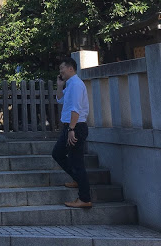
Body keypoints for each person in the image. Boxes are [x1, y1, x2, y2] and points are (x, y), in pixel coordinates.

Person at [53, 57, 92, 208]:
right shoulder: (70, 84)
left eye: (62, 68)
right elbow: (60, 100)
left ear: (70, 68)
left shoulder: (76, 84)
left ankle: (85, 198)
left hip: (75, 127)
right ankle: (77, 179)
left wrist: (71, 129)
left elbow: (75, 109)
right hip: (71, 126)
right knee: (58, 154)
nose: (60, 71)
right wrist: (59, 86)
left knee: (77, 162)